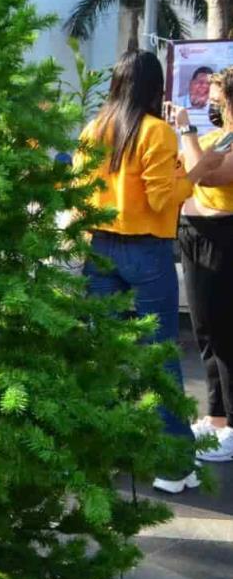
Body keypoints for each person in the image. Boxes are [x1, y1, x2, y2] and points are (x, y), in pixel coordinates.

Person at [79, 50, 225, 494]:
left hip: (100, 249)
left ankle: (97, 454)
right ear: (153, 87)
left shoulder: (94, 129)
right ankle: (173, 464)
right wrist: (197, 172)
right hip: (146, 253)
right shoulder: (156, 132)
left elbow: (79, 195)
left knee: (100, 354)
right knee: (159, 356)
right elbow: (164, 199)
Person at [174, 66, 233, 462]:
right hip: (193, 235)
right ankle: (216, 417)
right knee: (205, 332)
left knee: (227, 334)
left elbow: (209, 177)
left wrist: (186, 133)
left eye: (216, 99)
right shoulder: (222, 135)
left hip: (224, 239)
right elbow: (189, 171)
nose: (209, 105)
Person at [177, 66, 217, 137]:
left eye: (208, 83)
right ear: (191, 83)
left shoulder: (216, 109)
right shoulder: (177, 104)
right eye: (200, 82)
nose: (205, 86)